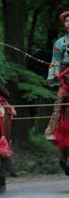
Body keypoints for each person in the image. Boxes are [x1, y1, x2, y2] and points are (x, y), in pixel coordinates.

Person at [45, 11, 69, 140]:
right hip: (66, 76)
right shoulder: (59, 43)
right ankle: (53, 129)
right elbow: (55, 61)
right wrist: (57, 74)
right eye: (66, 21)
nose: (68, 23)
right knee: (59, 101)